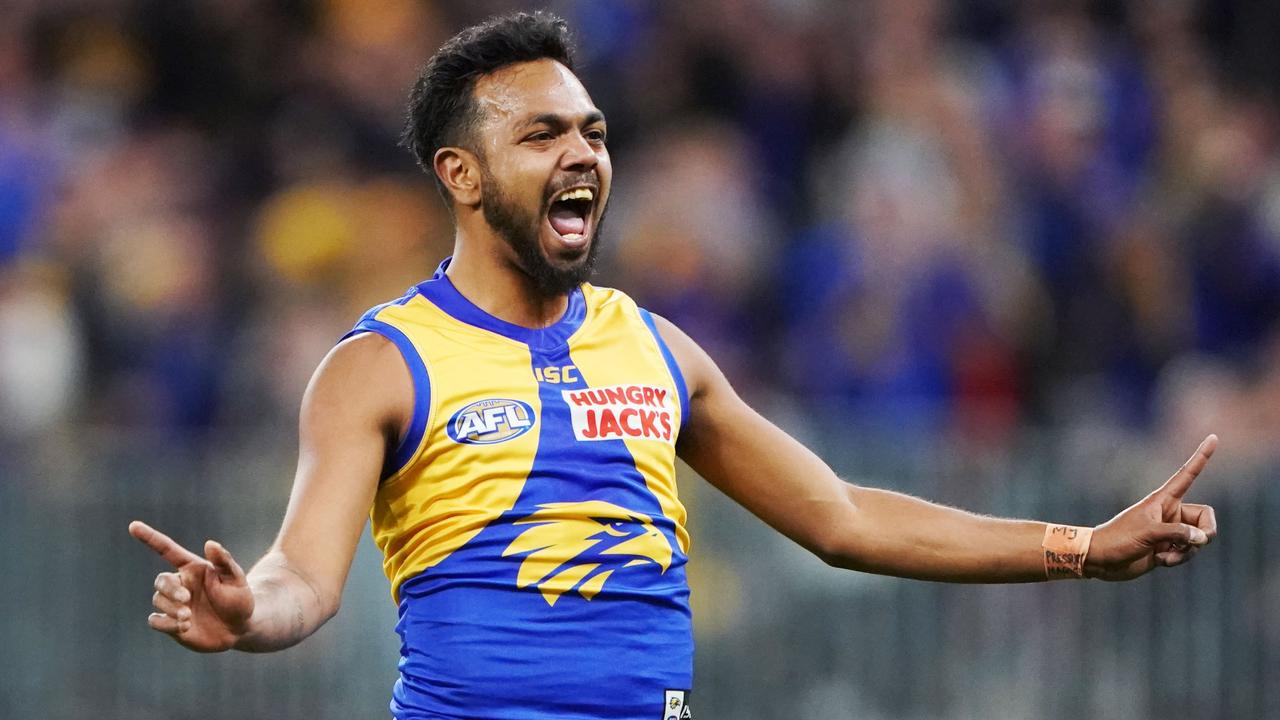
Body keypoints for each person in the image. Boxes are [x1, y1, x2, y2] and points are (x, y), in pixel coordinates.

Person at [128, 11, 1219, 720]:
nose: (583, 156)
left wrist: (1078, 546)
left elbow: (839, 515)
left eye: (593, 132)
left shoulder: (654, 348)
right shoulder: (380, 362)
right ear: (460, 174)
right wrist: (248, 615)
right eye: (543, 134)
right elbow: (302, 578)